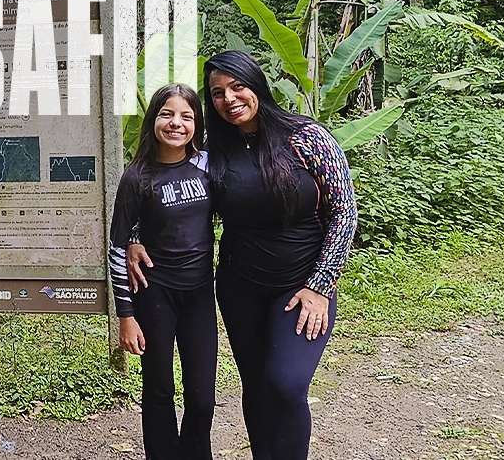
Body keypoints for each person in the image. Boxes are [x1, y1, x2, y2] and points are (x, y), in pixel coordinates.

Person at [203, 50, 357, 460]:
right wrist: (135, 237)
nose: (229, 99)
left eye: (237, 86)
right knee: (256, 386)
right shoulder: (213, 150)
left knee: (286, 384)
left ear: (256, 85)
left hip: (302, 286)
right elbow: (165, 189)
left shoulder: (308, 137)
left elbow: (344, 211)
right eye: (217, 93)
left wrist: (320, 287)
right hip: (240, 287)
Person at [111, 83, 217, 460]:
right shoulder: (137, 176)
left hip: (199, 294)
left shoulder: (208, 165)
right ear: (153, 120)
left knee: (202, 396)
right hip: (154, 292)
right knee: (158, 388)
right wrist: (126, 317)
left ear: (197, 123)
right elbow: (117, 247)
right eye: (167, 114)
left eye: (186, 116)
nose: (176, 123)